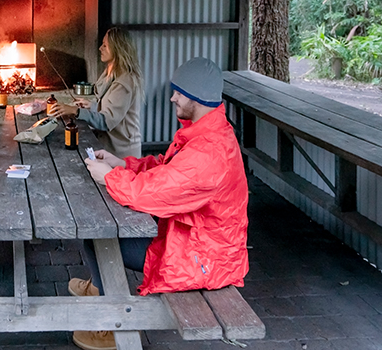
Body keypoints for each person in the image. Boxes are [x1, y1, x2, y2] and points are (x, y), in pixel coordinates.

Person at [69, 57, 249, 350]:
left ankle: (112, 328)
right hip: (191, 240)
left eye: (178, 92)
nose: (172, 98)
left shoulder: (209, 152)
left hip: (203, 259)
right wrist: (122, 163)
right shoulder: (206, 132)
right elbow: (166, 170)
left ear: (196, 96)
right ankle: (97, 292)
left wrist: (112, 177)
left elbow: (153, 194)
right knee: (98, 235)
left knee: (101, 239)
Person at [49, 27, 143, 158]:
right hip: (108, 146)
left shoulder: (124, 82)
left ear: (117, 49)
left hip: (122, 154)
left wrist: (75, 111)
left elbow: (106, 121)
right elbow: (110, 108)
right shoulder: (110, 74)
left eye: (105, 45)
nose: (100, 48)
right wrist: (91, 106)